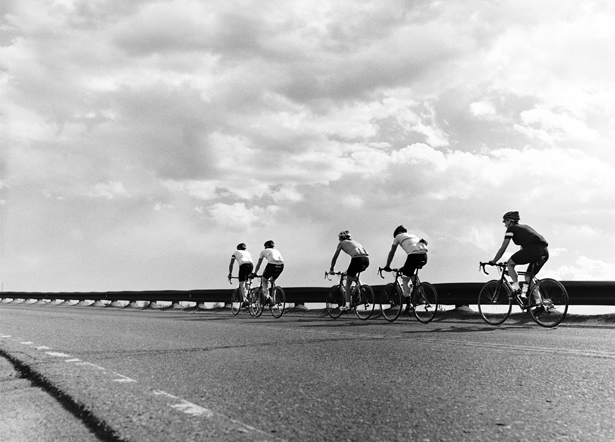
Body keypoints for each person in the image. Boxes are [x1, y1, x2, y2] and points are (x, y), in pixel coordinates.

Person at [489, 211, 549, 305]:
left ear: (510, 221)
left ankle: (516, 288)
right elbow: (523, 248)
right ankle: (539, 302)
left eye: (505, 221)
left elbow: (503, 248)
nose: (504, 224)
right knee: (528, 277)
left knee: (510, 263)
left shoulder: (511, 230)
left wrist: (494, 261)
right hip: (544, 251)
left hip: (533, 250)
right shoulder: (525, 227)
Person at [383, 225, 428, 303]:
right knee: (410, 271)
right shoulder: (413, 236)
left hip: (413, 256)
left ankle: (408, 303)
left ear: (397, 233)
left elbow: (392, 252)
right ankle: (419, 294)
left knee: (405, 279)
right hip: (424, 256)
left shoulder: (398, 237)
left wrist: (387, 265)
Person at [329, 230, 370, 311]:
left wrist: (331, 269)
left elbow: (335, 257)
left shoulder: (341, 243)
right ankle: (361, 287)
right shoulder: (355, 242)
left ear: (341, 238)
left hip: (356, 259)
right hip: (366, 260)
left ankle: (347, 306)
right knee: (352, 273)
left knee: (348, 282)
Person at [254, 240, 284, 305]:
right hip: (281, 265)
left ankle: (268, 297)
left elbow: (259, 264)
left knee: (264, 279)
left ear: (266, 246)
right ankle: (274, 299)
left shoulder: (263, 251)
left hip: (272, 265)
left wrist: (255, 272)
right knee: (272, 280)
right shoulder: (276, 251)